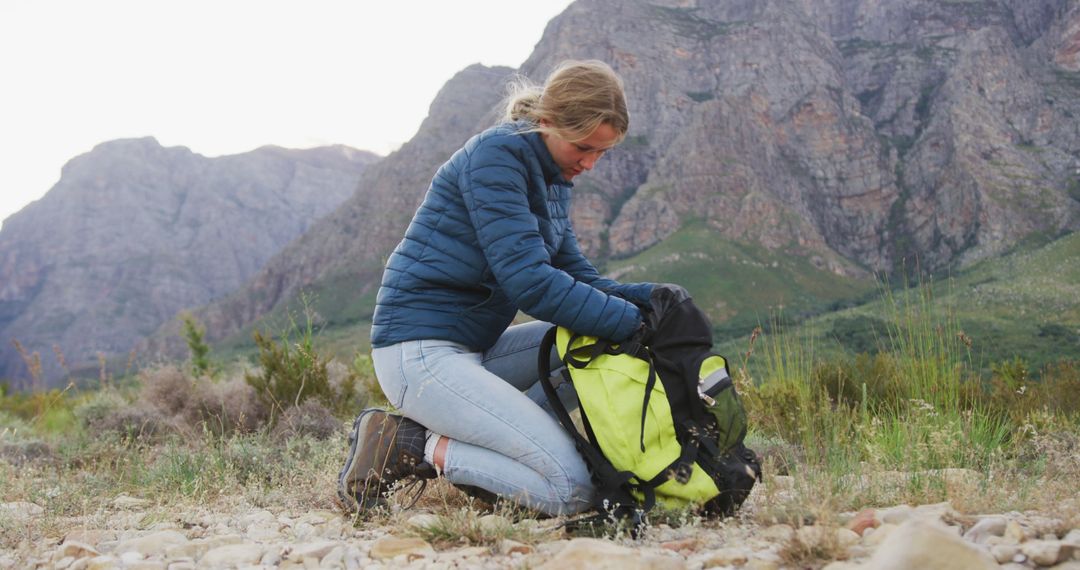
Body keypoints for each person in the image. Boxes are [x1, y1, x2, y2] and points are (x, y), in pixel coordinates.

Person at [338, 60, 654, 516]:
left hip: (475, 351)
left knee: (593, 342)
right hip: (419, 355)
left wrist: (651, 300)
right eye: (584, 147)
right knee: (573, 491)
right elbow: (533, 285)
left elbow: (575, 273)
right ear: (547, 122)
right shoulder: (496, 157)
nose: (590, 163)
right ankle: (415, 443)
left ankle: (511, 441)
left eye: (602, 153)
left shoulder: (553, 176)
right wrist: (630, 320)